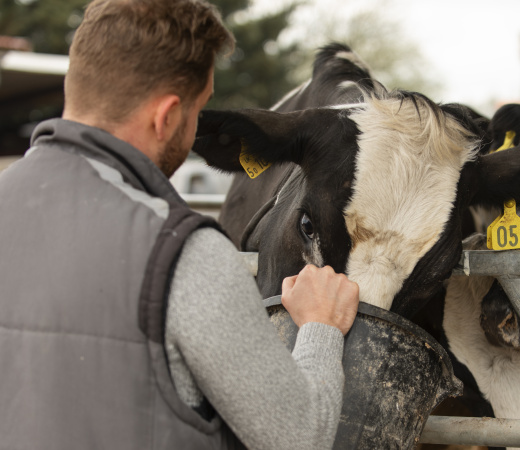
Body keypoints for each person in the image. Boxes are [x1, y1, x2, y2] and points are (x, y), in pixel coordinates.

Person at [0, 0, 360, 449]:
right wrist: (321, 327)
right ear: (167, 116)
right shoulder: (184, 255)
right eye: (198, 109)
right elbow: (298, 437)